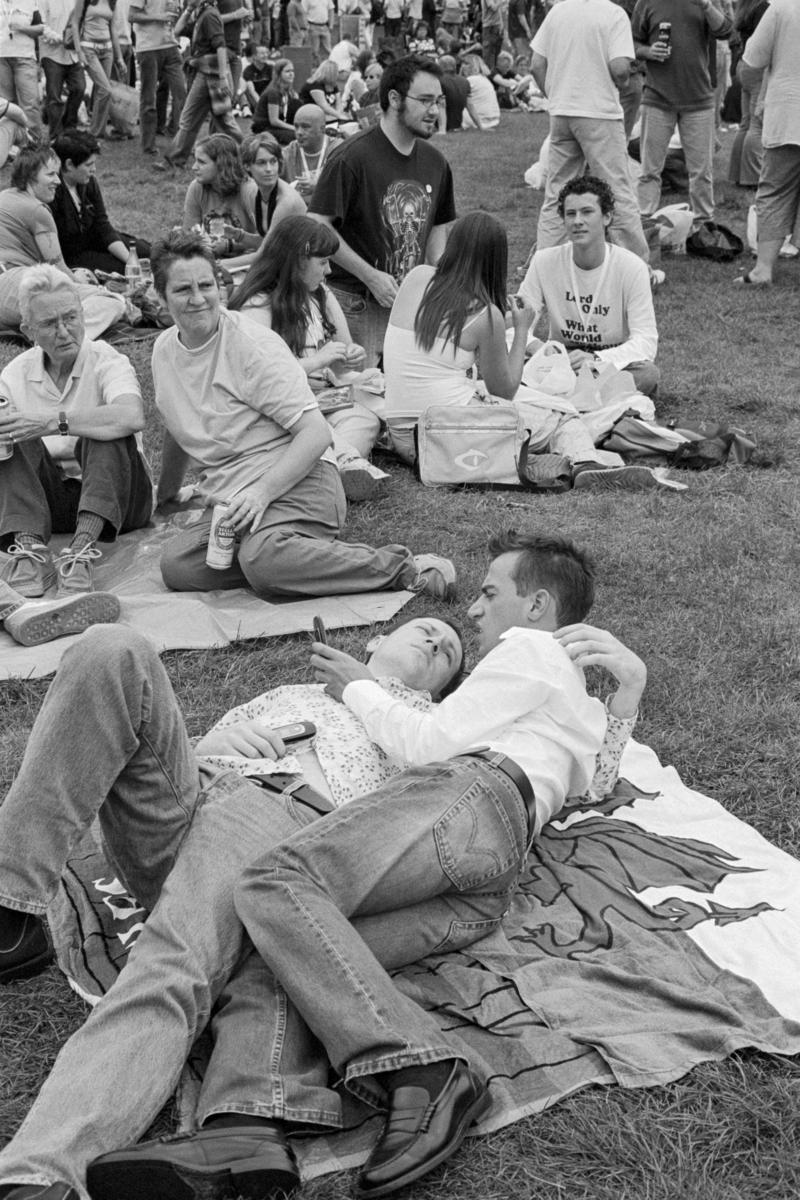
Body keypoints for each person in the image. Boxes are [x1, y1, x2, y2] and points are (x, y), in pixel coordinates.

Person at [0, 540, 644, 1200]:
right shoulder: (289, 692)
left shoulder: (431, 722)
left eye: (449, 652)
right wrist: (205, 746)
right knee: (112, 646)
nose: (441, 641)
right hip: (197, 806)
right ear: (376, 640)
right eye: (426, 629)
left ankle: (41, 1175)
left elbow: (496, 777)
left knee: (178, 963)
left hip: (281, 826)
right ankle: (11, 895)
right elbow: (162, 756)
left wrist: (623, 695)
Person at [150, 229, 456, 599]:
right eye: (183, 290)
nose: (198, 299)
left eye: (206, 286)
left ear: (221, 288)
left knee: (261, 560)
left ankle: (403, 568)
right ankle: (286, 555)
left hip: (300, 480)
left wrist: (262, 494)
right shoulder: (164, 351)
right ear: (160, 297)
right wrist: (166, 495)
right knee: (178, 566)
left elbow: (315, 433)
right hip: (235, 498)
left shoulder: (251, 346)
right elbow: (176, 423)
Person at [0, 266, 153, 598]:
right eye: (49, 324)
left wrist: (52, 421)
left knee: (107, 432)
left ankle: (82, 552)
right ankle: (29, 550)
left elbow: (132, 416)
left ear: (83, 315)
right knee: (9, 434)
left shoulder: (106, 359)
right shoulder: (14, 374)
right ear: (28, 331)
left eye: (71, 317)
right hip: (51, 503)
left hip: (122, 500)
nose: (64, 331)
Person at [308, 54, 457, 367]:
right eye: (426, 100)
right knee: (359, 400)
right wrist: (370, 275)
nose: (435, 111)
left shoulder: (435, 162)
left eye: (438, 101)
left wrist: (442, 278)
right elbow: (317, 225)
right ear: (394, 98)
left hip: (411, 306)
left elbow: (438, 228)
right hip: (354, 305)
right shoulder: (352, 157)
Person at [229, 214, 388, 499]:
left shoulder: (319, 295)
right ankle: (342, 463)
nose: (328, 271)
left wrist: (351, 359)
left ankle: (324, 468)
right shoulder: (257, 307)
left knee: (365, 419)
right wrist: (318, 361)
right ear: (298, 259)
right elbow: (260, 379)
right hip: (278, 407)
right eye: (323, 262)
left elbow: (341, 362)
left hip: (323, 395)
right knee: (315, 430)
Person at [383, 210, 535, 461]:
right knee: (555, 415)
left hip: (401, 435)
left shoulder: (417, 277)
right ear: (496, 260)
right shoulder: (485, 315)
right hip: (445, 439)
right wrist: (521, 330)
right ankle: (587, 458)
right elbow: (504, 392)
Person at [520, 175, 660, 402]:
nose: (577, 221)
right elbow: (514, 327)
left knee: (647, 374)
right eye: (570, 214)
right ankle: (588, 398)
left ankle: (558, 397)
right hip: (558, 359)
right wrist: (539, 348)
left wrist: (595, 358)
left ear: (607, 217)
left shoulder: (632, 267)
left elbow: (646, 341)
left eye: (587, 212)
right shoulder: (544, 261)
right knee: (506, 361)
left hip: (604, 359)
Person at [531, 0, 649, 262]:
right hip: (599, 112)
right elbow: (620, 68)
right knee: (618, 190)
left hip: (562, 112)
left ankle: (545, 265)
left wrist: (555, 96)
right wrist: (624, 81)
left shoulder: (558, 11)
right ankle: (637, 267)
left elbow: (536, 65)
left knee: (556, 192)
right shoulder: (614, 14)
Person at [0, 145, 126, 336]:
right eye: (50, 175)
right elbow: (58, 269)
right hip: (14, 285)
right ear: (29, 176)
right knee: (113, 301)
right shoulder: (37, 210)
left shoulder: (4, 197)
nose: (58, 181)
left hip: (11, 292)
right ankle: (56, 341)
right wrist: (89, 286)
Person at [632, 0, 732, 229]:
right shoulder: (646, 3)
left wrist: (706, 5)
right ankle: (644, 227)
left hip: (699, 99)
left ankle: (704, 228)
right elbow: (632, 42)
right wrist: (648, 51)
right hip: (657, 97)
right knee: (649, 170)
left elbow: (726, 31)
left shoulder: (706, 2)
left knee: (701, 172)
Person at [735, 0, 800, 286]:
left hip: (787, 113)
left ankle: (763, 269)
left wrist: (760, 91)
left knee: (774, 190)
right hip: (786, 112)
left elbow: (750, 62)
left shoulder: (782, 8)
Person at [50, 130, 151, 274]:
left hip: (96, 238)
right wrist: (129, 265)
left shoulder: (88, 182)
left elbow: (102, 225)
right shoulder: (52, 191)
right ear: (69, 165)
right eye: (88, 164)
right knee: (121, 270)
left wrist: (130, 260)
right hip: (73, 254)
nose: (94, 170)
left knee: (148, 253)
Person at [160, 0, 242, 171]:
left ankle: (250, 154)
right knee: (195, 118)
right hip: (205, 74)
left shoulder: (210, 15)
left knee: (222, 122)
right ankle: (175, 159)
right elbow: (178, 30)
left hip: (212, 76)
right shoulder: (201, 14)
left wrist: (222, 77)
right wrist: (189, 9)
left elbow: (220, 47)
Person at [182, 132, 260, 258]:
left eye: (201, 162)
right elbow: (188, 232)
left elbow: (266, 241)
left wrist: (229, 246)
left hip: (246, 261)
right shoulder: (197, 187)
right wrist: (198, 242)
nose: (194, 167)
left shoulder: (249, 190)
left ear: (221, 164)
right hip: (208, 260)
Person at [129, 0, 186, 159]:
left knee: (182, 94)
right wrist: (159, 17)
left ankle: (184, 143)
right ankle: (148, 146)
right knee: (149, 99)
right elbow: (132, 15)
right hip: (148, 48)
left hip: (171, 47)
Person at [70, 0, 125, 140]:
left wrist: (119, 58)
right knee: (106, 89)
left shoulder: (112, 2)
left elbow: (113, 30)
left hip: (107, 51)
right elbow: (75, 24)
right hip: (89, 49)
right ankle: (94, 132)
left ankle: (98, 131)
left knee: (102, 92)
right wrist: (79, 51)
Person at [38, 0, 87, 138]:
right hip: (52, 53)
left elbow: (80, 21)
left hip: (72, 54)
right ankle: (55, 134)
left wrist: (76, 41)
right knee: (54, 96)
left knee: (79, 88)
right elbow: (41, 26)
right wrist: (62, 39)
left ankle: (69, 126)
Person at [0, 0, 43, 135]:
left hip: (25, 57)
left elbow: (40, 29)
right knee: (7, 104)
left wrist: (21, 28)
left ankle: (35, 144)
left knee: (30, 103)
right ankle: (11, 143)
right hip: (1, 58)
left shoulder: (30, 2)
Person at [281, 104, 335, 201]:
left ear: (322, 128)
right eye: (296, 126)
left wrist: (320, 187)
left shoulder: (338, 151)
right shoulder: (288, 154)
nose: (299, 132)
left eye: (305, 127)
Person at [251, 56, 300, 144]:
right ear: (279, 74)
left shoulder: (289, 90)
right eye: (287, 71)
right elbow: (274, 121)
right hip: (265, 127)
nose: (291, 74)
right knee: (297, 136)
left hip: (278, 125)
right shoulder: (273, 92)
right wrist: (293, 128)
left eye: (292, 71)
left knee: (297, 103)